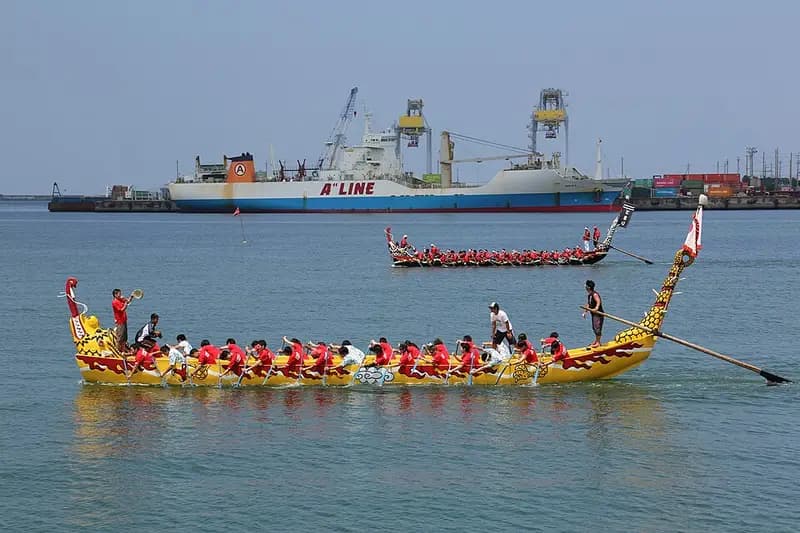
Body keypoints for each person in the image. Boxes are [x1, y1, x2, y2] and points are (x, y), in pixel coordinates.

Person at [582, 280, 604, 347]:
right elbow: (589, 304)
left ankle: (598, 343)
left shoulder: (595, 294)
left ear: (588, 287)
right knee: (594, 327)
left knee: (597, 327)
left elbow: (598, 302)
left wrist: (596, 308)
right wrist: (585, 312)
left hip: (598, 314)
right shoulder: (590, 295)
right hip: (594, 314)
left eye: (585, 285)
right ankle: (596, 341)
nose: (584, 286)